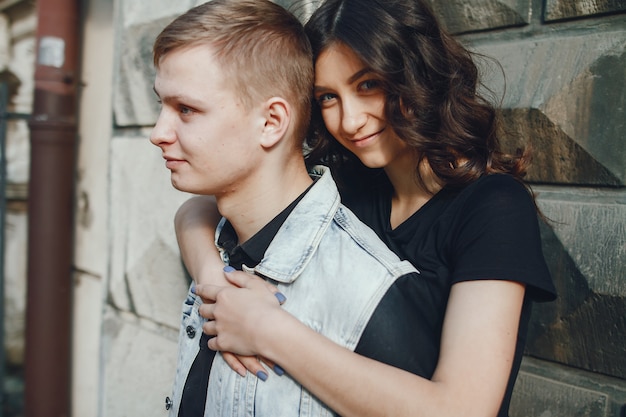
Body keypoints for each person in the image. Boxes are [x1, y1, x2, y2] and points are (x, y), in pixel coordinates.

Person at [177, 0, 558, 416]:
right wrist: (213, 284)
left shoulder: (494, 207)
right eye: (328, 97)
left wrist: (267, 331)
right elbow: (197, 210)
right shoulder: (345, 183)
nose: (351, 120)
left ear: (414, 73)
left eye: (368, 85)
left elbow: (461, 409)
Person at [149, 1, 421, 416]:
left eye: (186, 109)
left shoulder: (368, 289)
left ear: (272, 122)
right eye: (162, 106)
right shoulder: (218, 245)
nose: (158, 133)